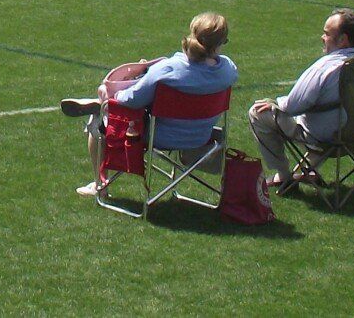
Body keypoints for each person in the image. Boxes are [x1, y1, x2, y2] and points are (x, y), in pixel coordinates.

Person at [59, 12, 237, 200]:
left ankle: (100, 185)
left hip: (157, 136)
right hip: (202, 137)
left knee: (102, 116)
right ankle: (99, 104)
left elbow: (130, 100)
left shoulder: (168, 69)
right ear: (220, 43)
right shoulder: (228, 70)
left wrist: (112, 96)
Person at [247, 9, 354, 191]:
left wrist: (275, 102)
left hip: (328, 137)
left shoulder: (325, 67)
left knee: (258, 112)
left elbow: (292, 106)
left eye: (327, 33)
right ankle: (307, 170)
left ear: (343, 40)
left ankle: (284, 175)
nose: (322, 37)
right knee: (326, 116)